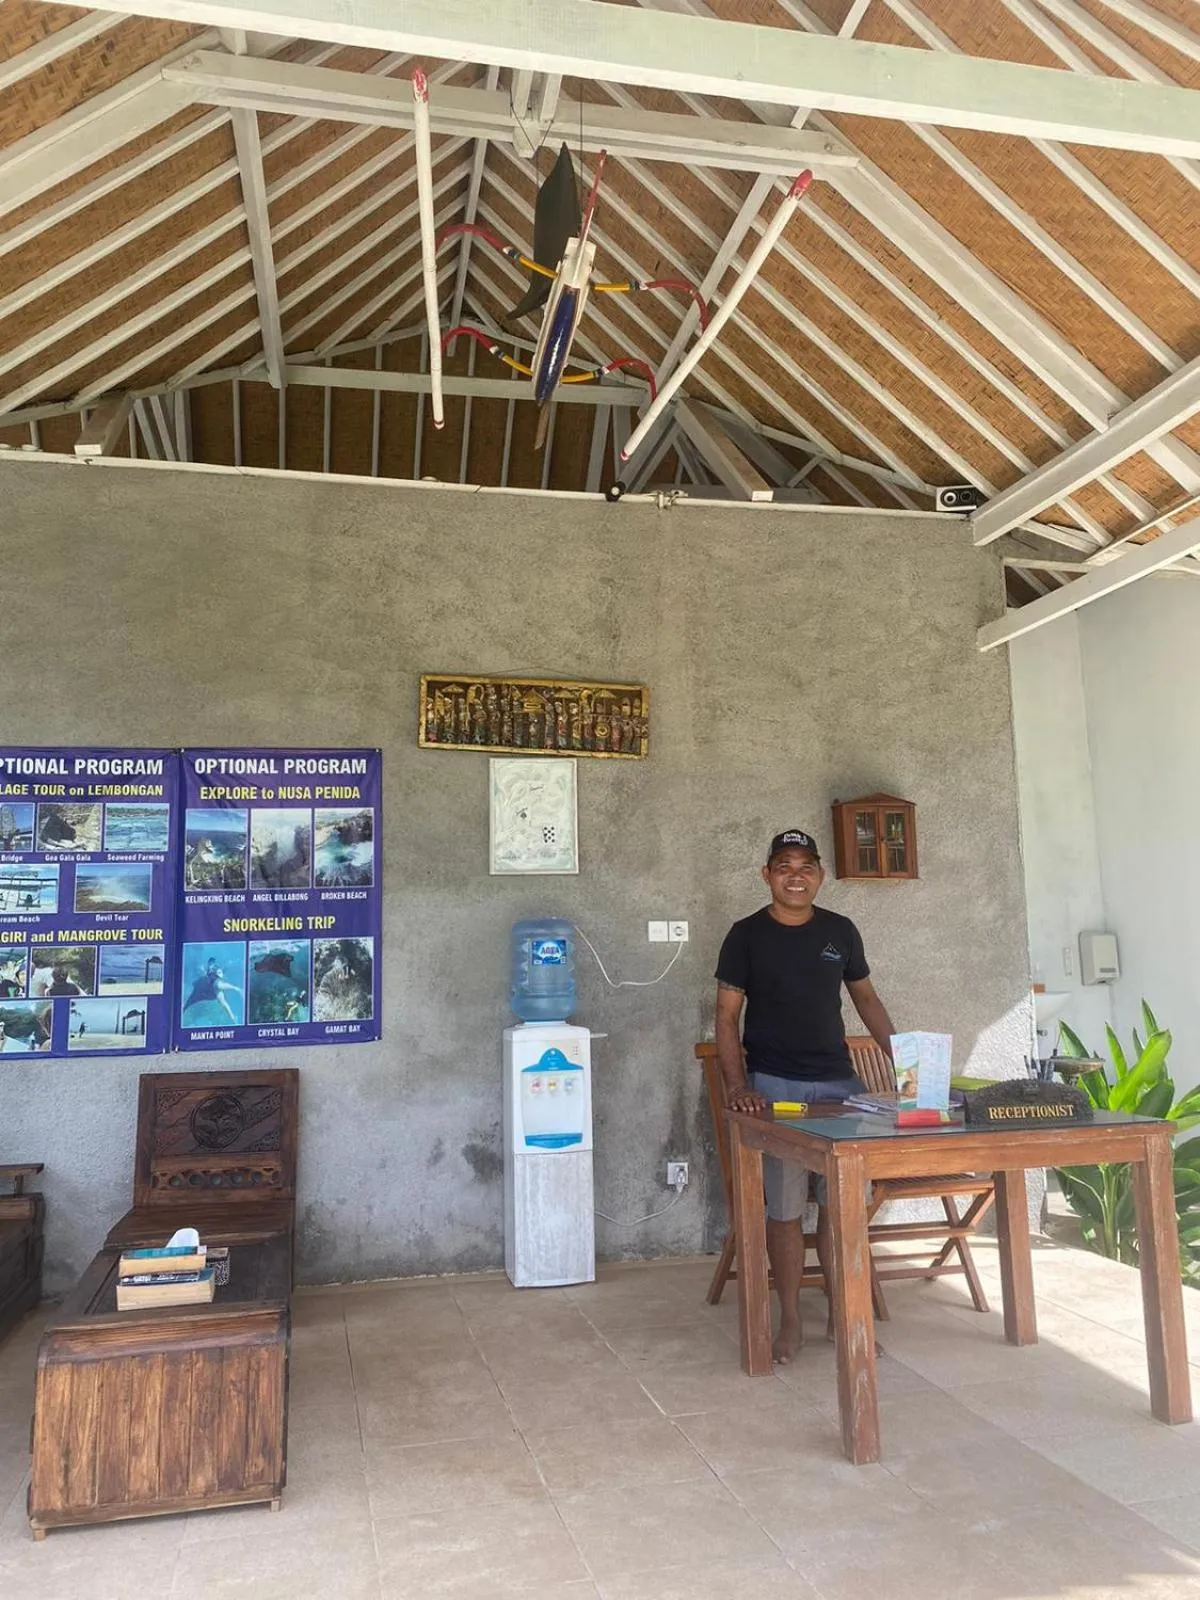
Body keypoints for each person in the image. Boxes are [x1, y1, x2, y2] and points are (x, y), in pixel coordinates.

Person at [715, 828, 896, 1364]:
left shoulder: (841, 931)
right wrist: (739, 1087)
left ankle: (845, 1316)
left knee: (841, 1208)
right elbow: (726, 1017)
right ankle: (790, 1320)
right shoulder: (745, 935)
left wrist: (909, 1066)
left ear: (820, 874)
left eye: (806, 865)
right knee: (787, 1211)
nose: (796, 875)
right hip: (776, 1088)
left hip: (840, 1087)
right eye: (784, 865)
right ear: (767, 874)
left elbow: (867, 1000)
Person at [183, 957, 243, 1023]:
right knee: (223, 1004)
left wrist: (222, 971)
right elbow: (206, 976)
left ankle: (238, 989)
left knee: (219, 986)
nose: (211, 964)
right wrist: (203, 970)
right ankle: (233, 1018)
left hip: (215, 983)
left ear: (213, 963)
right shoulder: (207, 969)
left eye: (212, 963)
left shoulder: (216, 968)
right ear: (208, 963)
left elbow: (222, 972)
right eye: (210, 963)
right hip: (212, 988)